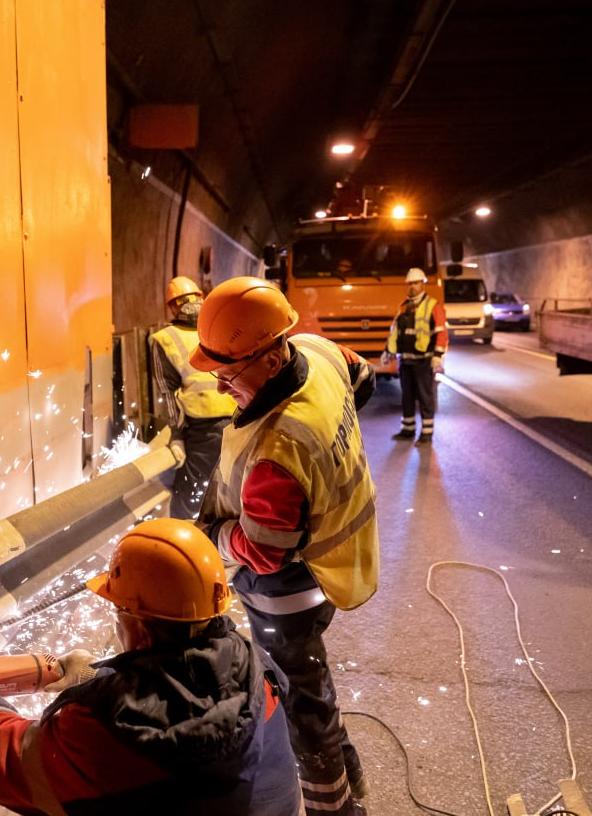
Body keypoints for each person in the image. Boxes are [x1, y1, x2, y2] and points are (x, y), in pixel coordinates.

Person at [0, 518, 303, 816]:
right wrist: (97, 679)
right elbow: (178, 689)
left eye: (119, 611)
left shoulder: (110, 733)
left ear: (139, 627)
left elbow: (7, 761)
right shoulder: (255, 668)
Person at [191, 277, 379, 816]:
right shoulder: (317, 350)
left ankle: (333, 807)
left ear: (272, 360)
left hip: (290, 587)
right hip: (336, 557)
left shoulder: (279, 449)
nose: (222, 388)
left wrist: (214, 538)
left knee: (300, 697)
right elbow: (361, 381)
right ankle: (350, 769)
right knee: (311, 676)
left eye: (229, 374)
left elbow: (265, 552)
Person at [149, 276, 237, 518]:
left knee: (187, 501)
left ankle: (186, 548)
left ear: (172, 307)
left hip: (204, 430)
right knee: (230, 489)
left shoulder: (164, 339)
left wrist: (176, 436)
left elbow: (168, 395)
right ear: (202, 298)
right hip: (239, 421)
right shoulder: (221, 328)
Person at [382, 267, 448, 445]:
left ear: (423, 284)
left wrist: (437, 356)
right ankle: (408, 429)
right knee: (407, 396)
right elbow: (396, 332)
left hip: (424, 360)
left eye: (416, 283)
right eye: (410, 283)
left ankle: (427, 433)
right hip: (406, 360)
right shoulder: (404, 306)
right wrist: (388, 351)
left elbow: (441, 333)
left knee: (425, 397)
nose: (412, 286)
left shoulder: (432, 306)